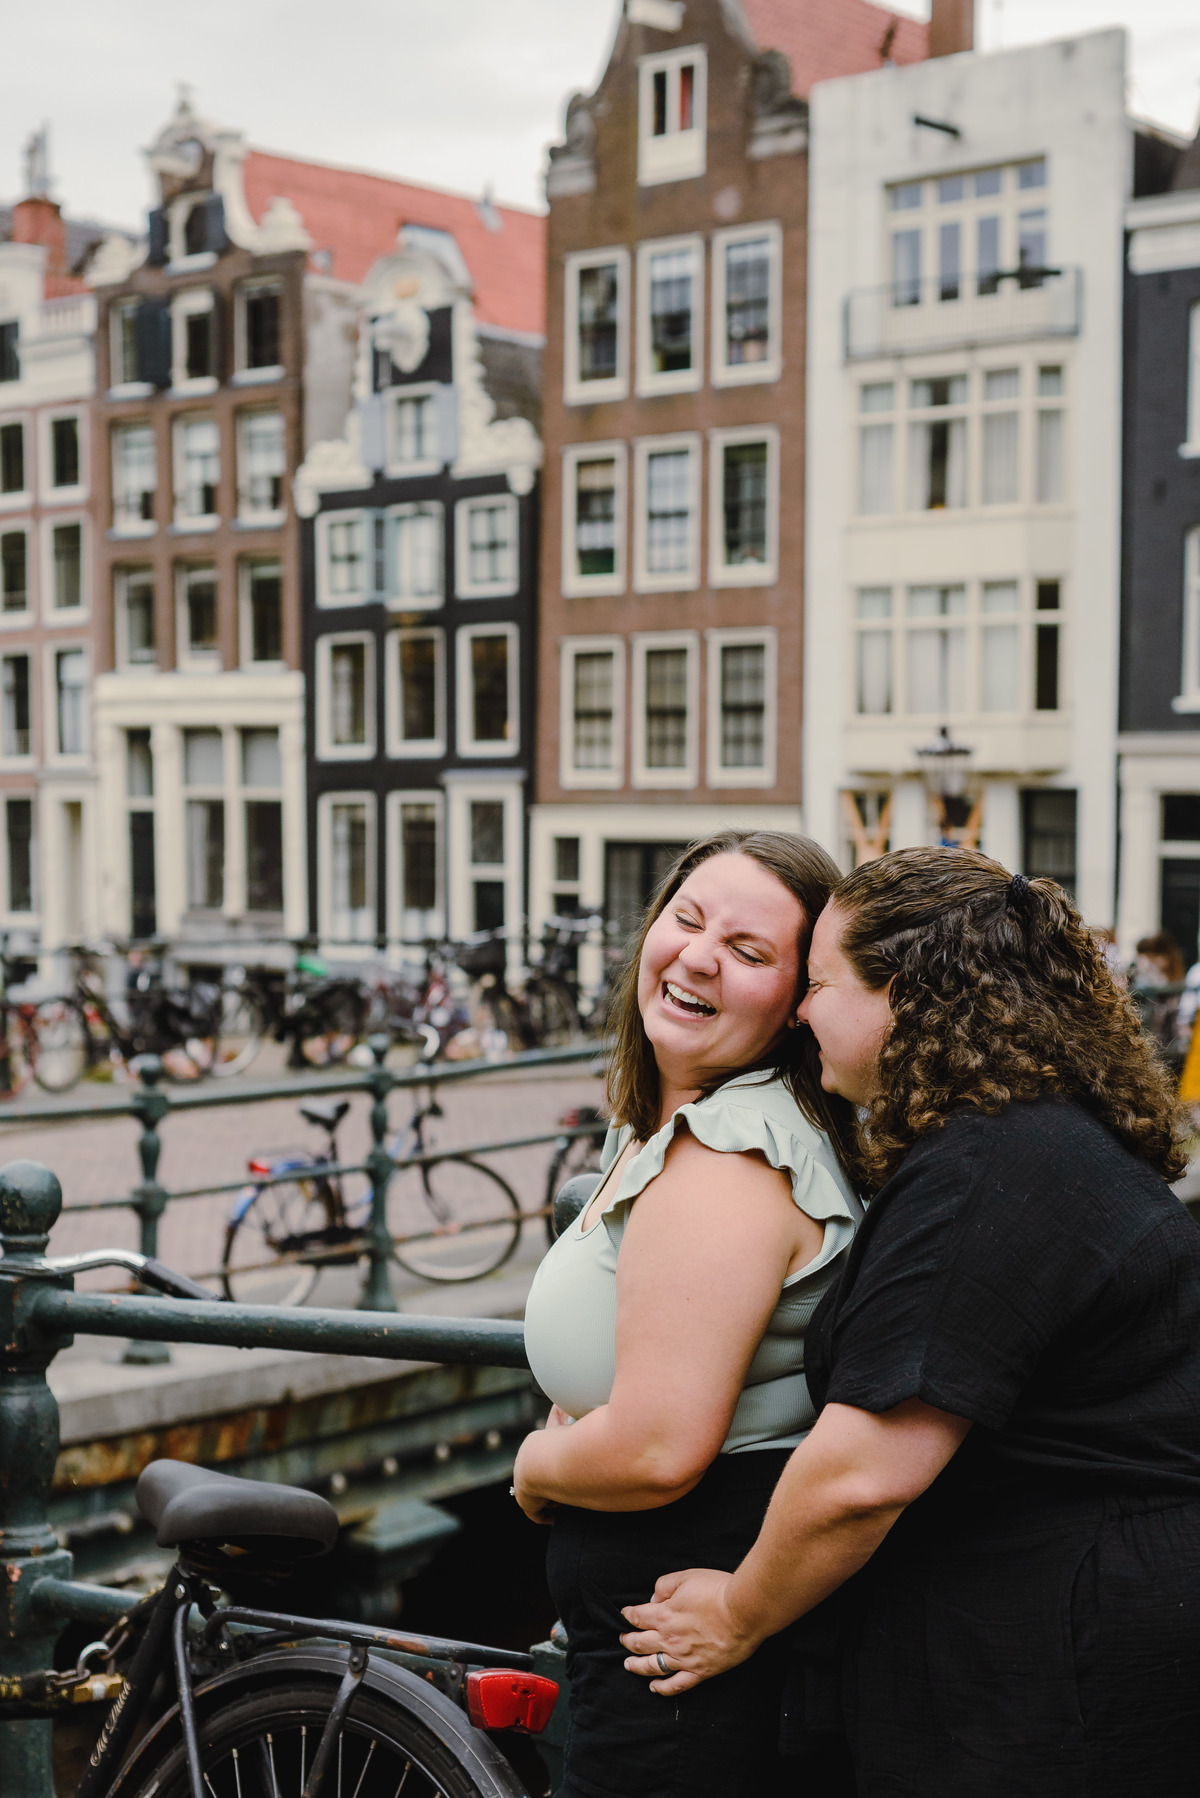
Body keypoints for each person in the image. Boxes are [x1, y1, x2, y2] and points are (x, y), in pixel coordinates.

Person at [620, 846, 1200, 1798]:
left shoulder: (987, 1171)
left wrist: (738, 1612)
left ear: (907, 999)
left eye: (819, 985)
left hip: (1056, 1663)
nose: (800, 1014)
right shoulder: (1038, 1138)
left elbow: (864, 1474)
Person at [514, 829, 862, 1798]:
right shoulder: (672, 1126)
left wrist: (537, 1464)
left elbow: (659, 1448)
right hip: (655, 1635)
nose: (700, 956)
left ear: (799, 1002)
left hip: (671, 1644)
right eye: (688, 919)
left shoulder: (730, 1157)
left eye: (748, 951)